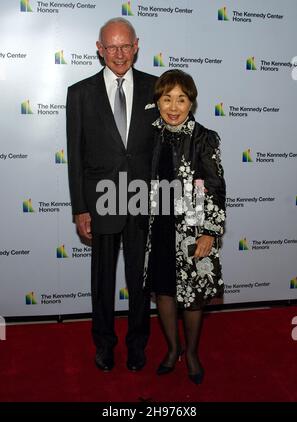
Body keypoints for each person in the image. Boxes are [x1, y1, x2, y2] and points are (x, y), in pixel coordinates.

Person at [66, 18, 157, 372]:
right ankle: (104, 344)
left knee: (140, 281)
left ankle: (138, 345)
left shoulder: (156, 88)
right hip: (100, 201)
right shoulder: (80, 93)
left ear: (137, 45)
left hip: (143, 200)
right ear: (99, 49)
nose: (119, 55)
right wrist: (80, 208)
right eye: (112, 48)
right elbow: (75, 154)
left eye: (125, 46)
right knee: (102, 283)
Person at [144, 69, 226, 384]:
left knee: (192, 297)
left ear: (191, 102)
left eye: (182, 99)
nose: (174, 106)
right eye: (167, 99)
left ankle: (191, 352)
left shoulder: (205, 137)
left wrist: (210, 232)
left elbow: (216, 186)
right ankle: (171, 349)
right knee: (163, 291)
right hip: (159, 227)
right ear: (158, 102)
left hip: (193, 230)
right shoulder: (151, 133)